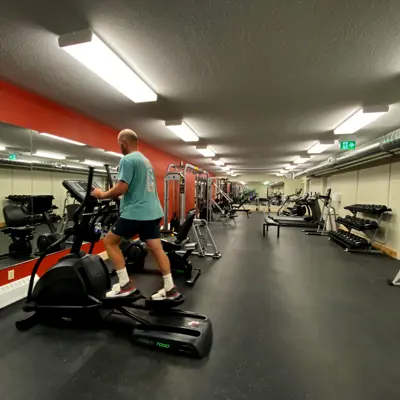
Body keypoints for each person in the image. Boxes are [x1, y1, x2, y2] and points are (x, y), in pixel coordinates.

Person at [91, 129, 181, 301]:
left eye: (119, 144)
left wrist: (102, 194)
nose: (120, 148)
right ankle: (170, 288)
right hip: (152, 212)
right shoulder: (145, 160)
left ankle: (125, 285)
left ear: (124, 142)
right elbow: (134, 188)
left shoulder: (127, 159)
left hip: (136, 213)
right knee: (156, 248)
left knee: (109, 241)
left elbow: (122, 187)